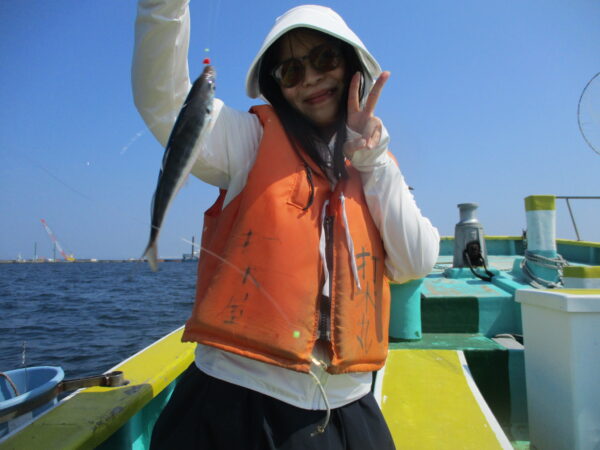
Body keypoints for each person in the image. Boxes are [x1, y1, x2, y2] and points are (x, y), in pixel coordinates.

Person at [133, 2, 440, 449]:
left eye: (325, 59)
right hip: (235, 400)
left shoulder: (375, 165)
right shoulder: (249, 140)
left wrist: (373, 159)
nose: (311, 78)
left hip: (349, 406)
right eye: (292, 72)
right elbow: (164, 102)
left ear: (351, 65)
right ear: (277, 87)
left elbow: (416, 260)